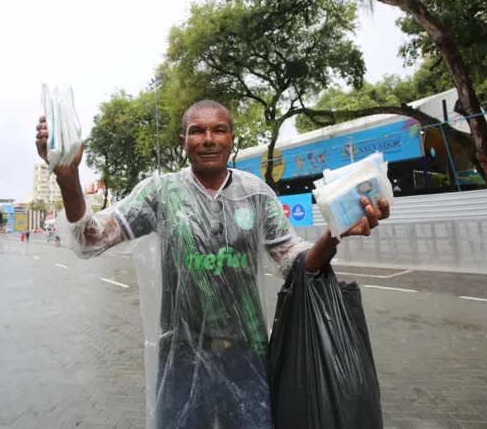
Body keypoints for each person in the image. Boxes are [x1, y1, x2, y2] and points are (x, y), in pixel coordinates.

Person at [35, 100, 390, 428]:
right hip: (182, 362)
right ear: (183, 141)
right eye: (197, 131)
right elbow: (89, 240)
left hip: (248, 358)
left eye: (218, 130)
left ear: (231, 139)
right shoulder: (161, 194)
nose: (208, 139)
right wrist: (68, 178)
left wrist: (335, 233)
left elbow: (295, 264)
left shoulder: (256, 194)